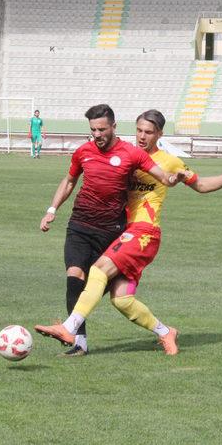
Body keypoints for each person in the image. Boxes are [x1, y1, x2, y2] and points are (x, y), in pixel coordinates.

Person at [35, 109, 222, 356]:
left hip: (144, 232)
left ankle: (69, 328)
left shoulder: (169, 161)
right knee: (122, 300)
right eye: (139, 130)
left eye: (148, 132)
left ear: (159, 134)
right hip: (122, 232)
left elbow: (200, 185)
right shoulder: (128, 154)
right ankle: (165, 332)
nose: (142, 136)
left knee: (98, 270)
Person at [36, 104, 181, 357]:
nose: (97, 134)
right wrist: (52, 209)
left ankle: (164, 331)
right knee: (74, 278)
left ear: (114, 127)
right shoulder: (83, 152)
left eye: (102, 129)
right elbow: (70, 180)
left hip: (113, 231)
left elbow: (163, 177)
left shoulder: (132, 154)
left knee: (119, 298)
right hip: (80, 226)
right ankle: (78, 342)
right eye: (93, 129)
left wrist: (174, 178)